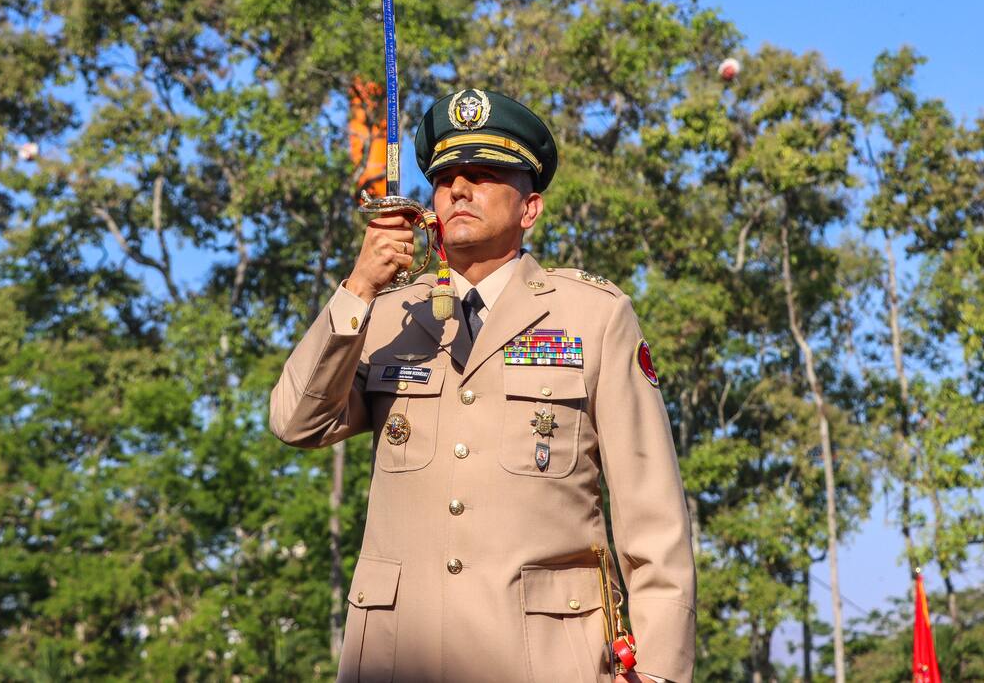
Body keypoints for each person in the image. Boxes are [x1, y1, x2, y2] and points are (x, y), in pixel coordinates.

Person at [270, 89, 696, 682]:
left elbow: (654, 518)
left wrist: (658, 673)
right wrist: (360, 286)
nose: (459, 190)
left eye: (485, 174)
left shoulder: (593, 316)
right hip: (399, 661)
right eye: (446, 178)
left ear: (530, 208)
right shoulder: (386, 314)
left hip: (545, 664)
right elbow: (295, 421)